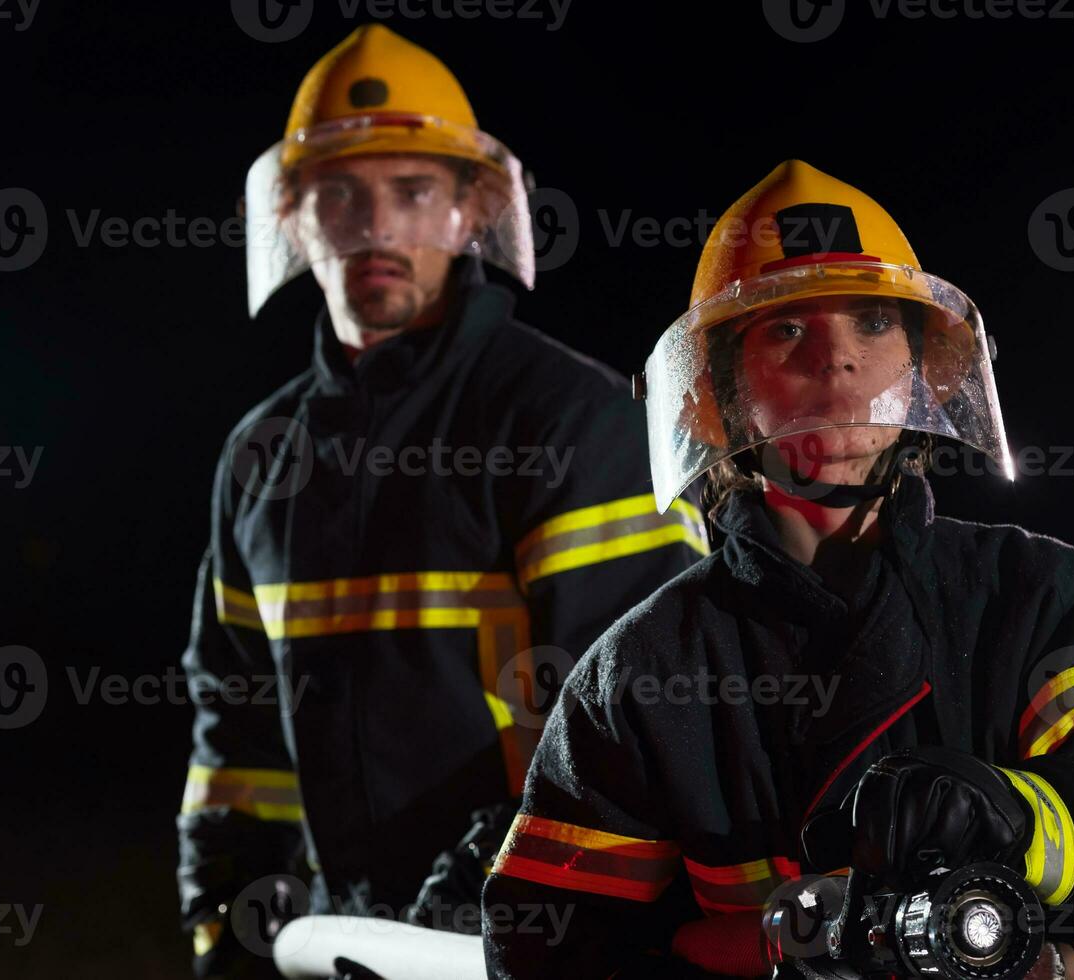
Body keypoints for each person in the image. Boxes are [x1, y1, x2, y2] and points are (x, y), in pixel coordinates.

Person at [482, 161, 1074, 979]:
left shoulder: (1043, 603)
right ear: (717, 392)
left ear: (920, 364)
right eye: (787, 329)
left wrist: (1019, 817)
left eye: (872, 321)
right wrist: (773, 948)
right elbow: (544, 954)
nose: (836, 361)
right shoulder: (640, 674)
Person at [176, 25, 708, 978]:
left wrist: (494, 902)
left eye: (412, 192)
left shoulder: (572, 421)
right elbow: (238, 729)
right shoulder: (260, 460)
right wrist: (230, 916)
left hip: (539, 937)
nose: (376, 227)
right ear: (295, 219)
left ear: (469, 213)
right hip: (344, 944)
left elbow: (638, 719)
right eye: (340, 194)